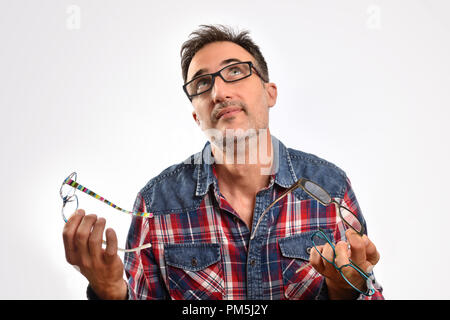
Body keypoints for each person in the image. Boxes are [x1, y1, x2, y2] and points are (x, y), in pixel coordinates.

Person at [62, 24, 383, 300]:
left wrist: (347, 289)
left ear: (270, 93)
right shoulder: (156, 204)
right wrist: (109, 290)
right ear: (195, 115)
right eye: (202, 83)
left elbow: (370, 289)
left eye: (235, 71)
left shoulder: (330, 188)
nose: (218, 91)